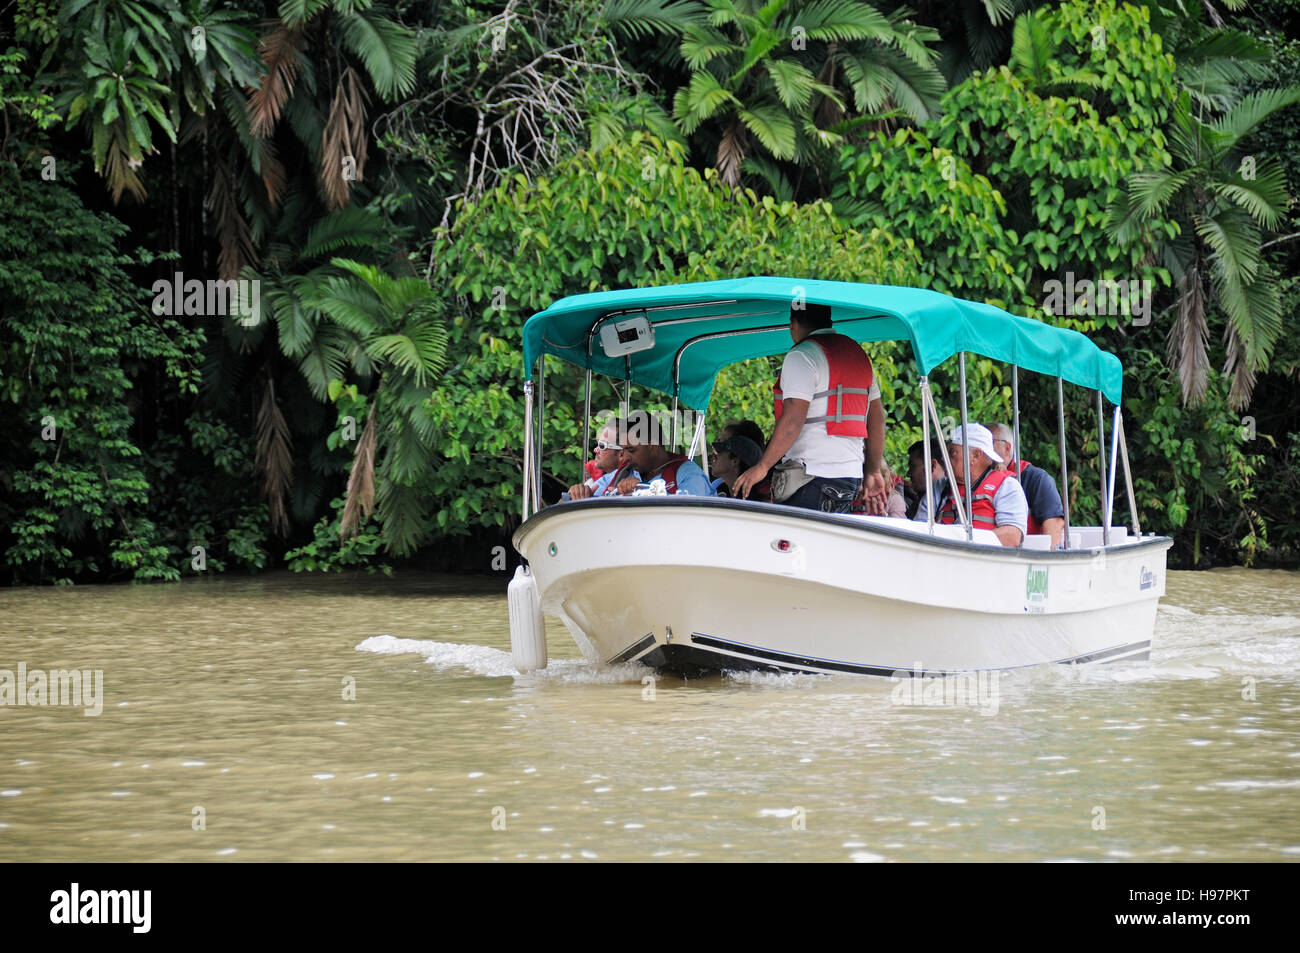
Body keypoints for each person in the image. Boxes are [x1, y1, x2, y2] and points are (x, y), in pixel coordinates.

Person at [731, 302, 887, 513]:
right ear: (829, 320)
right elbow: (877, 418)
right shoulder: (858, 355)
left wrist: (762, 466)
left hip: (811, 477)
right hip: (850, 477)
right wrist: (873, 470)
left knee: (796, 543)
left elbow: (793, 420)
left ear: (792, 324)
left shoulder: (802, 355)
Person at [914, 423, 1028, 547]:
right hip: (939, 555)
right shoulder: (940, 487)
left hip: (981, 560)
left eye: (952, 453)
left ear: (976, 455)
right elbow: (920, 527)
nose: (944, 458)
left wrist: (962, 543)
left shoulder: (1006, 486)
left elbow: (1011, 536)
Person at [985, 423, 1066, 549]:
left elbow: (1054, 525)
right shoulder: (974, 479)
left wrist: (1046, 561)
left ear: (1007, 448)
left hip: (1027, 556)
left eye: (988, 443)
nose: (983, 449)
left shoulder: (1036, 478)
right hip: (986, 551)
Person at [614, 411, 715, 496]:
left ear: (652, 445)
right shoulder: (625, 471)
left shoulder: (689, 473)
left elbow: (691, 510)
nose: (625, 457)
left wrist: (646, 491)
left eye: (631, 450)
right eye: (623, 451)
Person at [565, 421, 639, 499]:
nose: (595, 450)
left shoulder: (635, 478)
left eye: (602, 445)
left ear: (621, 454)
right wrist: (573, 494)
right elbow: (561, 503)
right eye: (598, 443)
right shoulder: (603, 480)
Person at [711, 434, 771, 501]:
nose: (715, 455)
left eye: (720, 452)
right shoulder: (717, 491)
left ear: (735, 461)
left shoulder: (756, 506)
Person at [905, 438, 946, 519]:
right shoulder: (916, 505)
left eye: (912, 467)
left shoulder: (953, 504)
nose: (908, 474)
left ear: (932, 466)